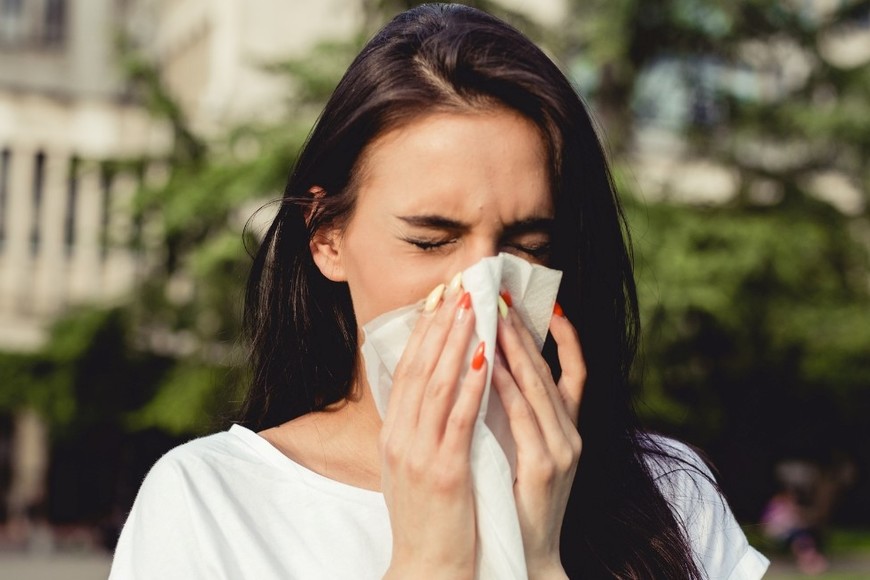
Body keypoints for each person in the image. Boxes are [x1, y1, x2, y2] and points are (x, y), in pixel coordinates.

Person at [109, 4, 769, 578]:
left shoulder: (668, 493)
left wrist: (538, 560)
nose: (481, 288)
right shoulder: (212, 501)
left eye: (526, 246)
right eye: (431, 241)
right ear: (327, 238)